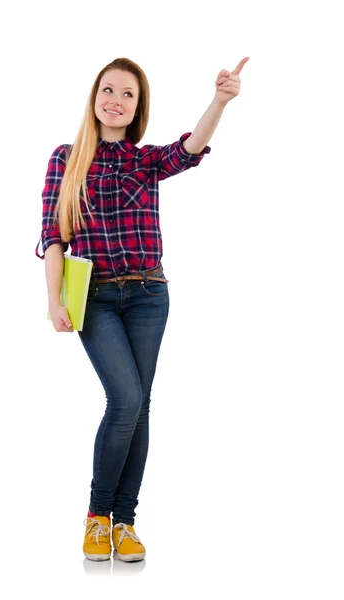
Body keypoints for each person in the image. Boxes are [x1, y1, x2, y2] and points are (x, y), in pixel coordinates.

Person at [35, 56, 249, 562]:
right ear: (94, 98)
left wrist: (219, 100)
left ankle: (125, 523)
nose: (115, 100)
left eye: (127, 94)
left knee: (140, 407)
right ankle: (97, 517)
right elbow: (52, 237)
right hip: (96, 299)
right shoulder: (65, 159)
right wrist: (54, 300)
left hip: (150, 296)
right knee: (126, 401)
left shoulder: (144, 160)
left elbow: (189, 149)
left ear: (136, 107)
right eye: (107, 90)